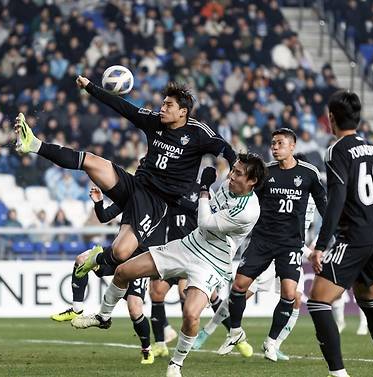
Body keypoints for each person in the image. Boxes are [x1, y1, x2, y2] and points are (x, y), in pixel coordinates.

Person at [14, 77, 235, 279]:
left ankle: (94, 261)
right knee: (90, 161)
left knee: (121, 252)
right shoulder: (154, 121)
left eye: (169, 105)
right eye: (163, 103)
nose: (162, 108)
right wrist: (90, 87)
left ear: (183, 112)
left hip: (155, 202)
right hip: (135, 184)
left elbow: (227, 151)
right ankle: (33, 144)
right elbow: (122, 107)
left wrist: (239, 174)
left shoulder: (199, 133)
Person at [71, 154, 267, 377]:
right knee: (123, 271)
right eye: (233, 170)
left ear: (252, 181)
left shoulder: (248, 210)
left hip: (212, 263)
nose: (231, 175)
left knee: (191, 314)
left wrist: (204, 187)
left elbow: (205, 221)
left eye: (238, 173)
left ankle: (176, 364)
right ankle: (103, 317)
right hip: (188, 245)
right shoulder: (226, 185)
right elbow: (203, 212)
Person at [307, 90, 373, 377]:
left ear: (331, 118)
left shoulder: (336, 151)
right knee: (368, 297)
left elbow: (335, 200)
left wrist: (321, 245)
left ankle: (338, 374)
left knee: (318, 301)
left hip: (353, 238)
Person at [217, 129, 326, 362]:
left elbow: (323, 203)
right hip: (262, 240)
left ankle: (272, 342)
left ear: (293, 146)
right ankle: (235, 331)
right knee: (239, 286)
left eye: (280, 143)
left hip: (291, 244)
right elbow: (245, 193)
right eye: (273, 143)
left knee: (289, 293)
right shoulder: (266, 172)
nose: (275, 147)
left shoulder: (309, 173)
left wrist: (324, 239)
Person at [50, 186, 154, 364]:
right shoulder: (129, 198)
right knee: (82, 259)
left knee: (134, 308)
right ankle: (76, 310)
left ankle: (147, 349)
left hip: (140, 257)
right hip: (120, 252)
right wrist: (98, 203)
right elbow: (104, 216)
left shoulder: (157, 203)